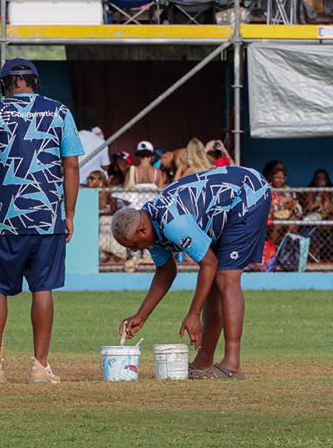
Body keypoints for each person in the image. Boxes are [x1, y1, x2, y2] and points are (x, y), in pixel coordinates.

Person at [0, 58, 84, 384]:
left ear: (4, 85)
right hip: (48, 218)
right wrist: (70, 214)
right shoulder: (60, 112)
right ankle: (40, 367)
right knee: (43, 289)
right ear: (35, 82)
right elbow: (71, 166)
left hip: (6, 218)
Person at [111, 165, 271, 380]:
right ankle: (204, 361)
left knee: (225, 279)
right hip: (223, 208)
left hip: (247, 193)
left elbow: (209, 263)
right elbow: (165, 273)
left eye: (133, 245)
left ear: (142, 230)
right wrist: (141, 316)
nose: (134, 250)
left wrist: (193, 313)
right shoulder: (150, 230)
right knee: (213, 285)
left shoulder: (172, 223)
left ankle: (232, 364)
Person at [267, 166, 301, 245]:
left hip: (286, 216)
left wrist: (289, 205)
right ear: (272, 178)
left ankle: (287, 247)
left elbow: (294, 204)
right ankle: (272, 250)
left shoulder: (288, 189)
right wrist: (285, 204)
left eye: (282, 178)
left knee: (293, 223)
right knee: (277, 225)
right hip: (271, 217)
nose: (279, 180)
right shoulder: (267, 189)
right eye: (277, 177)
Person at [76, 107, 110, 186]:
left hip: (73, 184)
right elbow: (105, 166)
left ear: (79, 122)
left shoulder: (73, 138)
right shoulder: (101, 142)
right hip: (93, 185)